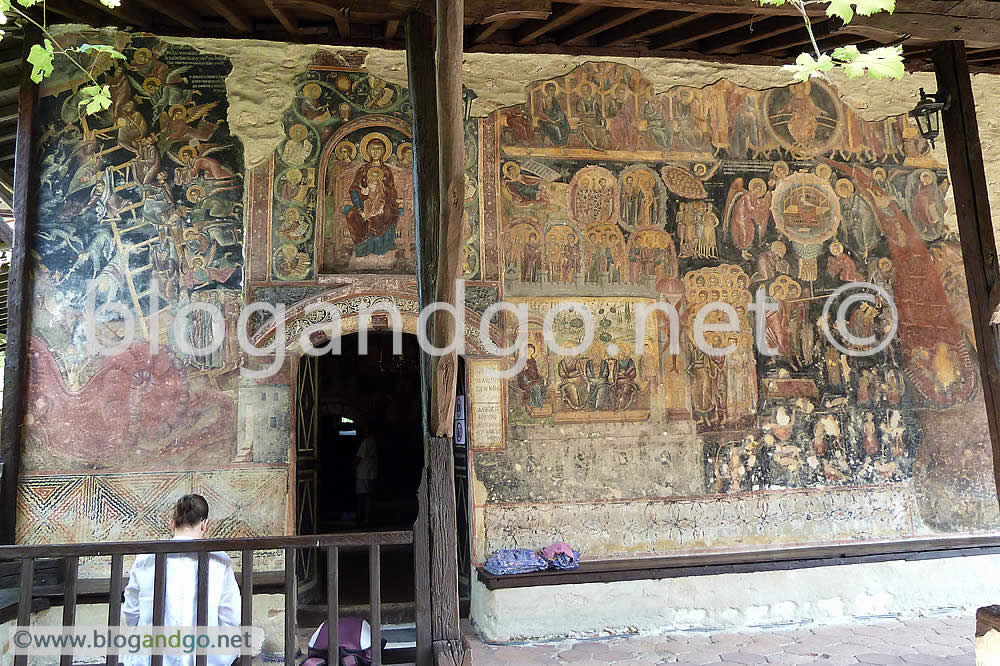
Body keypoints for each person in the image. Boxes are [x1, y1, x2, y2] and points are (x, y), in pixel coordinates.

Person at [122, 494, 241, 666]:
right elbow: (232, 615)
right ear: (204, 525)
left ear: (172, 523)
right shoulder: (219, 560)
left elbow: (131, 613)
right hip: (207, 658)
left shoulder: (145, 558)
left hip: (150, 658)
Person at [355, 430, 378, 527]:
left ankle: (364, 519)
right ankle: (368, 518)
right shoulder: (374, 441)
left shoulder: (366, 442)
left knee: (363, 497)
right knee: (369, 496)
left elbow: (359, 457)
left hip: (363, 473)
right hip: (372, 471)